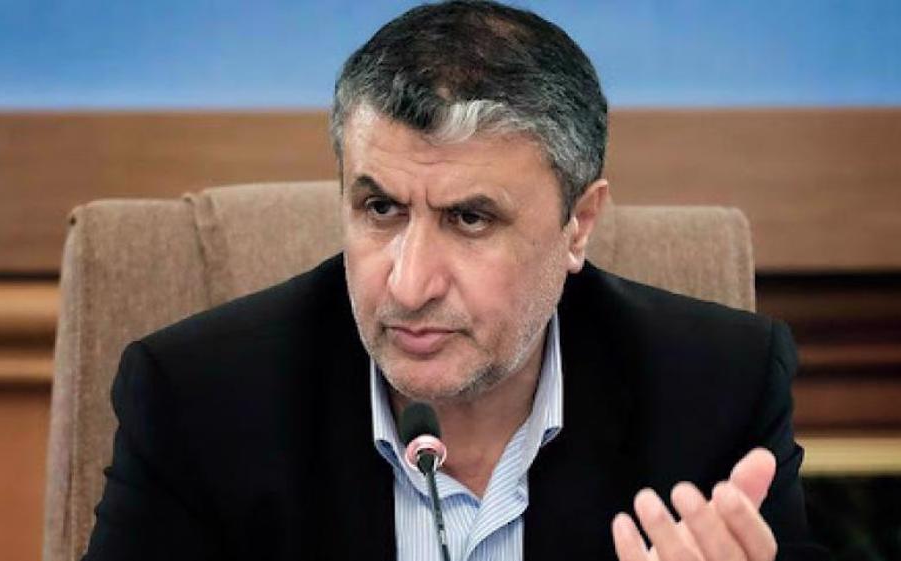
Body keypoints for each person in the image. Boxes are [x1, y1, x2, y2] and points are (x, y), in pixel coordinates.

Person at [82, 2, 828, 560]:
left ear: (578, 224)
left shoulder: (716, 389)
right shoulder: (198, 398)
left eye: (470, 219)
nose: (408, 286)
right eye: (380, 209)